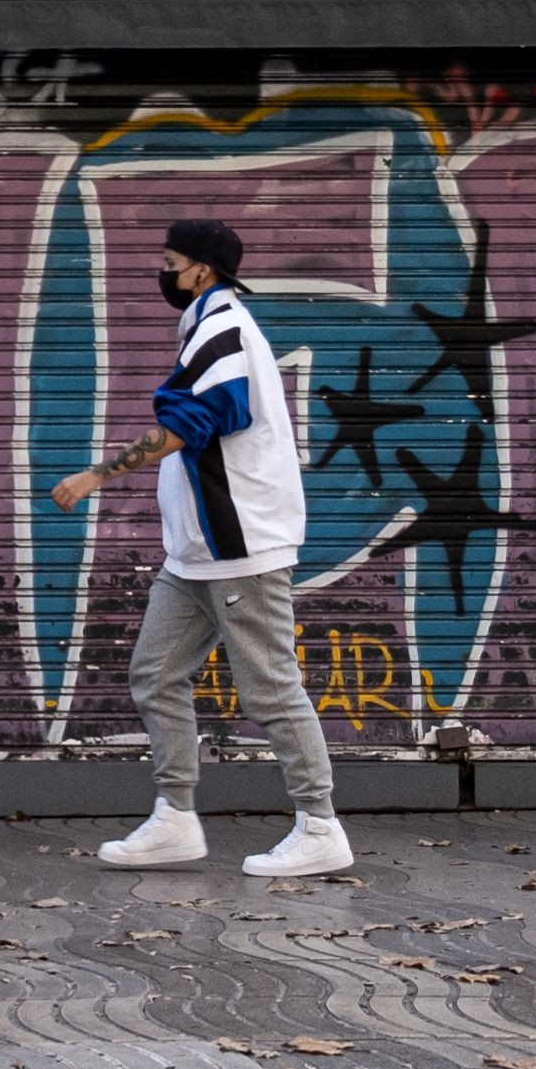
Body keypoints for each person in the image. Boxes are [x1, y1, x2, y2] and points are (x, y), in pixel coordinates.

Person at [49, 216, 351, 879]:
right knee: (156, 675)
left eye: (170, 261)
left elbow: (188, 428)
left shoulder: (225, 332)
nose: (164, 272)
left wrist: (96, 474)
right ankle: (176, 820)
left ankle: (320, 826)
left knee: (271, 691)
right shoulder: (204, 328)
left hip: (240, 548)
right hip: (195, 554)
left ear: (202, 273)